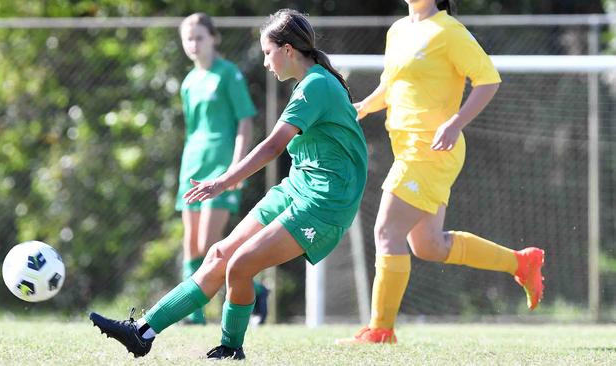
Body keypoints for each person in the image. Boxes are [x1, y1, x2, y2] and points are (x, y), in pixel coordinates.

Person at [90, 9, 368, 360]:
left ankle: (230, 348)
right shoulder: (313, 83)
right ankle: (142, 333)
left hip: (324, 202)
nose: (266, 62)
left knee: (240, 264)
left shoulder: (315, 85)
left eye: (267, 53)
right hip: (297, 189)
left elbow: (271, 146)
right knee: (220, 254)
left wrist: (222, 181)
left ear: (286, 49)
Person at [337, 0, 545, 344]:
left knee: (386, 230)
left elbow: (488, 80)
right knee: (429, 246)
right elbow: (391, 87)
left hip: (432, 151)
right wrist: (362, 108)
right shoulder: (398, 30)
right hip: (408, 150)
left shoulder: (450, 32)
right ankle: (522, 264)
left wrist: (455, 122)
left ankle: (380, 331)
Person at [174, 13, 267, 325]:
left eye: (199, 37)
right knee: (191, 244)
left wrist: (236, 168)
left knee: (209, 245)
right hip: (192, 165)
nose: (193, 44)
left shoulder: (228, 74)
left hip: (221, 166)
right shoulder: (189, 81)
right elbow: (191, 130)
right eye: (188, 38)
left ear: (214, 38)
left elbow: (244, 121)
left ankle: (255, 291)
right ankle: (194, 316)